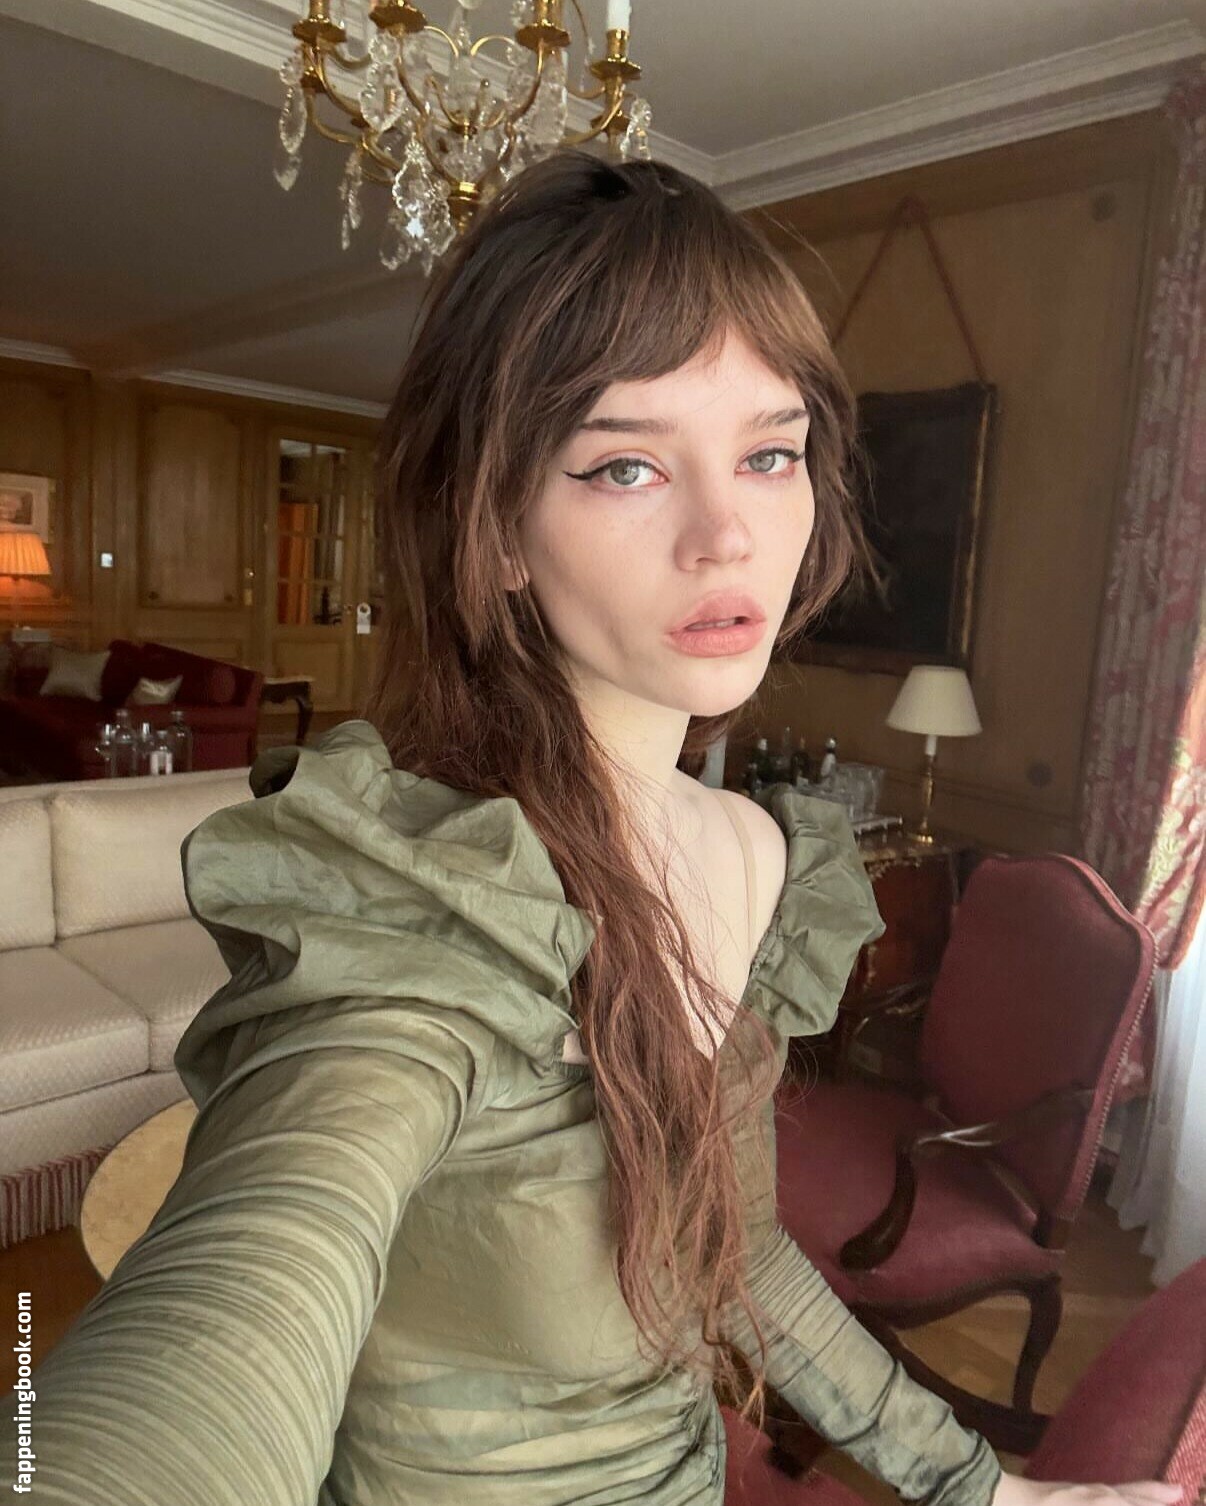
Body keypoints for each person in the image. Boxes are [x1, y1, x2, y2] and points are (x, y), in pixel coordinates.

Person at [1, 152, 1184, 1506]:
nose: (726, 533)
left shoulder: (756, 855)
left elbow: (733, 1253)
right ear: (498, 531)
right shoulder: (425, 901)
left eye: (769, 453)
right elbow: (248, 1282)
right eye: (625, 465)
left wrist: (982, 1486)